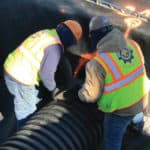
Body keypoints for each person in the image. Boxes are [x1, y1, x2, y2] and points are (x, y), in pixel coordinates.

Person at [75, 16, 149, 150]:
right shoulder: (133, 44)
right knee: (136, 117)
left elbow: (91, 96)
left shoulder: (97, 63)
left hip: (121, 111)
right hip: (142, 100)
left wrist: (79, 93)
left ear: (95, 36)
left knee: (111, 141)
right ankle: (138, 126)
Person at [3, 19, 83, 129]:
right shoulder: (54, 48)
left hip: (10, 67)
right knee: (27, 112)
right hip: (21, 77)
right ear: (70, 39)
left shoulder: (47, 33)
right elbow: (46, 75)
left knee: (29, 101)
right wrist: (54, 90)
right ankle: (23, 139)